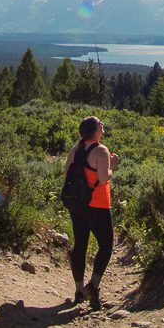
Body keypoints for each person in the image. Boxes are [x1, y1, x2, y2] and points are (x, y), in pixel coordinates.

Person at [64, 115, 119, 310]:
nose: (102, 125)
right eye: (100, 124)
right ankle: (93, 286)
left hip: (77, 205)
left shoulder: (75, 149)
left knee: (80, 245)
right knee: (106, 245)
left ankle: (79, 290)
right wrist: (112, 166)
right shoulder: (101, 150)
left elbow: (66, 174)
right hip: (98, 205)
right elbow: (104, 179)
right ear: (94, 130)